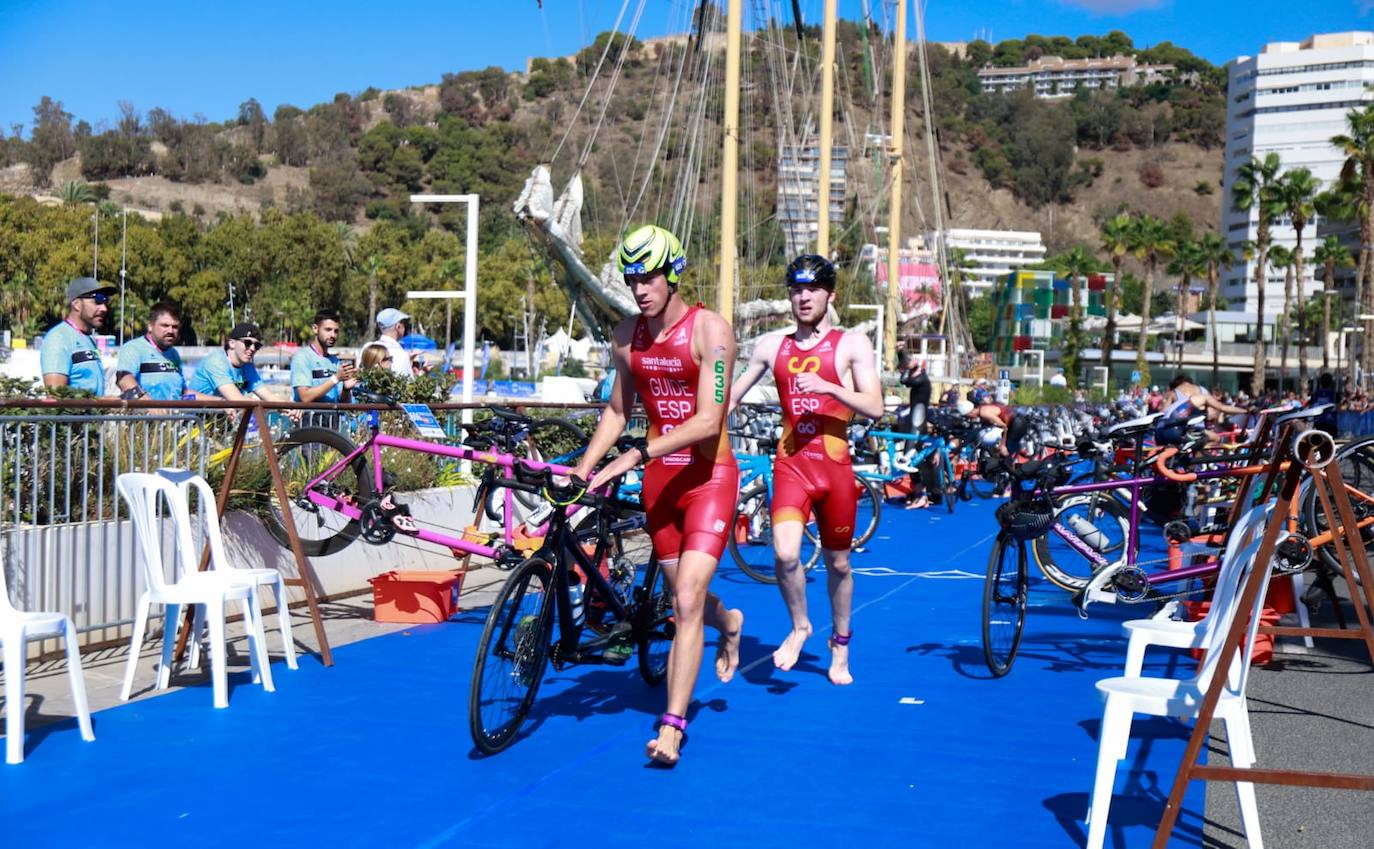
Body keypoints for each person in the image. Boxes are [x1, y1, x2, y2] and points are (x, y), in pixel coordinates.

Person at [571, 224, 743, 767]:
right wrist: (583, 468)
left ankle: (672, 727)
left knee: (686, 601)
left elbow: (711, 419)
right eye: (631, 279)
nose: (639, 289)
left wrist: (638, 453)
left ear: (672, 275)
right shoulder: (625, 336)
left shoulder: (710, 331)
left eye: (648, 278)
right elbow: (619, 411)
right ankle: (730, 621)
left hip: (709, 478)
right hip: (660, 484)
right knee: (683, 599)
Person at [730, 255, 883, 684]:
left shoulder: (852, 343)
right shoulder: (771, 347)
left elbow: (875, 406)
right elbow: (733, 396)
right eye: (796, 289)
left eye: (813, 289)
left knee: (838, 565)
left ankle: (841, 642)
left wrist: (831, 386)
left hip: (834, 469)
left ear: (829, 295)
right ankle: (800, 625)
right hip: (792, 465)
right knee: (783, 553)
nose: (803, 297)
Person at [41, 276, 115, 394]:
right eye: (98, 301)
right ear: (76, 304)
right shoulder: (58, 338)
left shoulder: (87, 339)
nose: (104, 308)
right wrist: (106, 403)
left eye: (105, 302)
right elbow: (55, 397)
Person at [187, 322, 287, 402]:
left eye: (257, 346)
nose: (252, 348)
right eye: (247, 343)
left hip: (220, 421)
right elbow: (237, 400)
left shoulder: (247, 366)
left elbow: (269, 397)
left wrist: (291, 408)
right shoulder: (216, 362)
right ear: (232, 343)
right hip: (194, 420)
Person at [115, 301, 185, 401]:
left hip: (173, 415)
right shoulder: (134, 348)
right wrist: (148, 404)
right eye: (165, 325)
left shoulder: (173, 354)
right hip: (144, 415)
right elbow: (124, 379)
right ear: (150, 326)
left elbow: (183, 392)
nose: (170, 331)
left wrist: (215, 401)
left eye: (175, 327)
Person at [1155, 374, 1246, 446]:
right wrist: (1246, 411)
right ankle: (1197, 465)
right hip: (1179, 430)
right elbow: (1222, 408)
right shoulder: (1203, 394)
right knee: (1215, 438)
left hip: (1160, 432)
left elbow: (1161, 413)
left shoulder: (1173, 393)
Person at [291, 309, 358, 402]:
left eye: (336, 331)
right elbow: (305, 397)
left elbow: (343, 403)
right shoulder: (302, 357)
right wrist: (336, 378)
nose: (333, 335)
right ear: (315, 329)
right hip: (309, 416)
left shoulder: (335, 361)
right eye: (328, 330)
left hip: (332, 416)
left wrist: (346, 389)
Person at [374, 308, 415, 377]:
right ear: (398, 326)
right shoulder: (401, 354)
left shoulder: (368, 347)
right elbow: (408, 385)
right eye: (404, 324)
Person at [899, 354, 931, 433]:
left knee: (916, 428)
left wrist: (907, 369)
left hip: (919, 410)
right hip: (915, 408)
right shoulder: (918, 378)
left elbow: (904, 380)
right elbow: (905, 382)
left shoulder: (922, 378)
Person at [1311, 372, 1340, 437]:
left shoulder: (1315, 394)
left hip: (1319, 422)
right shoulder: (1335, 394)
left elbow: (1312, 406)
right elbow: (1338, 408)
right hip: (1330, 422)